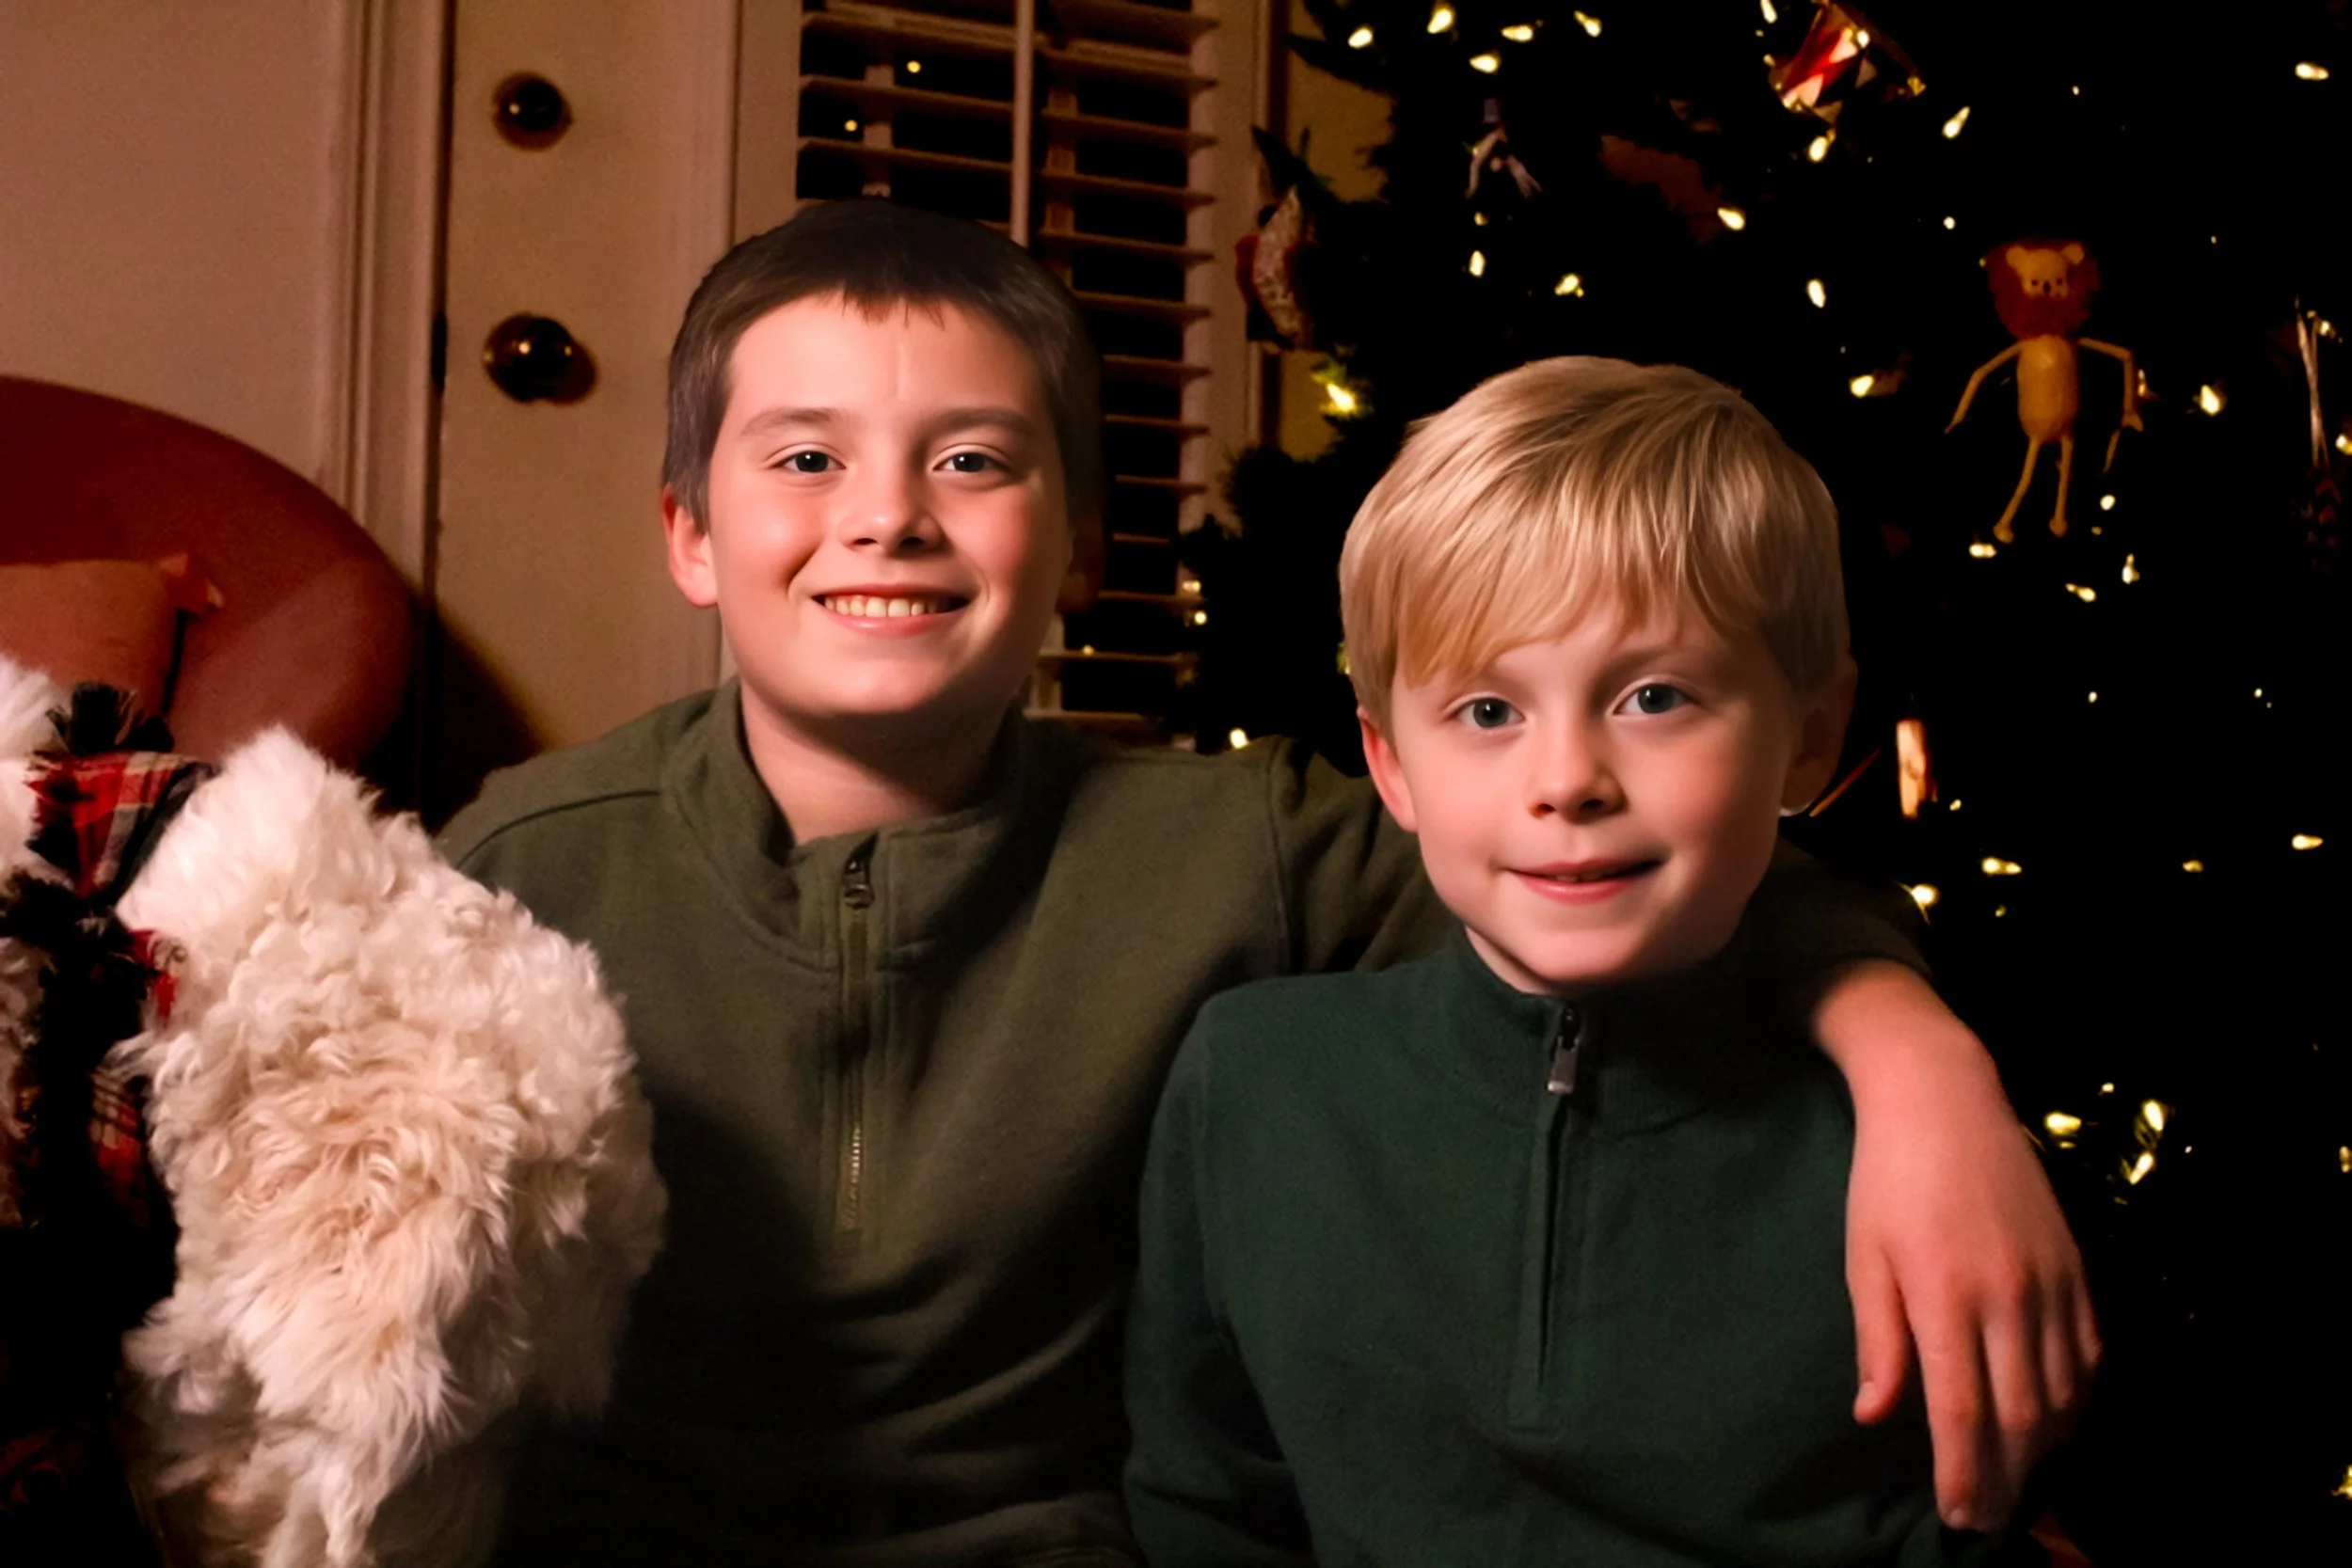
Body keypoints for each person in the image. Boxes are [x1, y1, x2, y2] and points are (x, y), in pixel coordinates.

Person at [441, 202, 2093, 1565]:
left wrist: (1921, 1067)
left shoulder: (1239, 842)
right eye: (806, 461)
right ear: (688, 532)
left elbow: (1619, 863)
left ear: (1081, 544)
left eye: (973, 463)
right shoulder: (523, 866)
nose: (888, 519)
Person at [1123, 357, 2074, 1565]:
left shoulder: (1913, 1149)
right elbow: (1206, 1502)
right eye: (1487, 712)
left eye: (1656, 695)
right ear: (1391, 763)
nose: (1566, 778)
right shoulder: (1253, 1084)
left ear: (1812, 735)